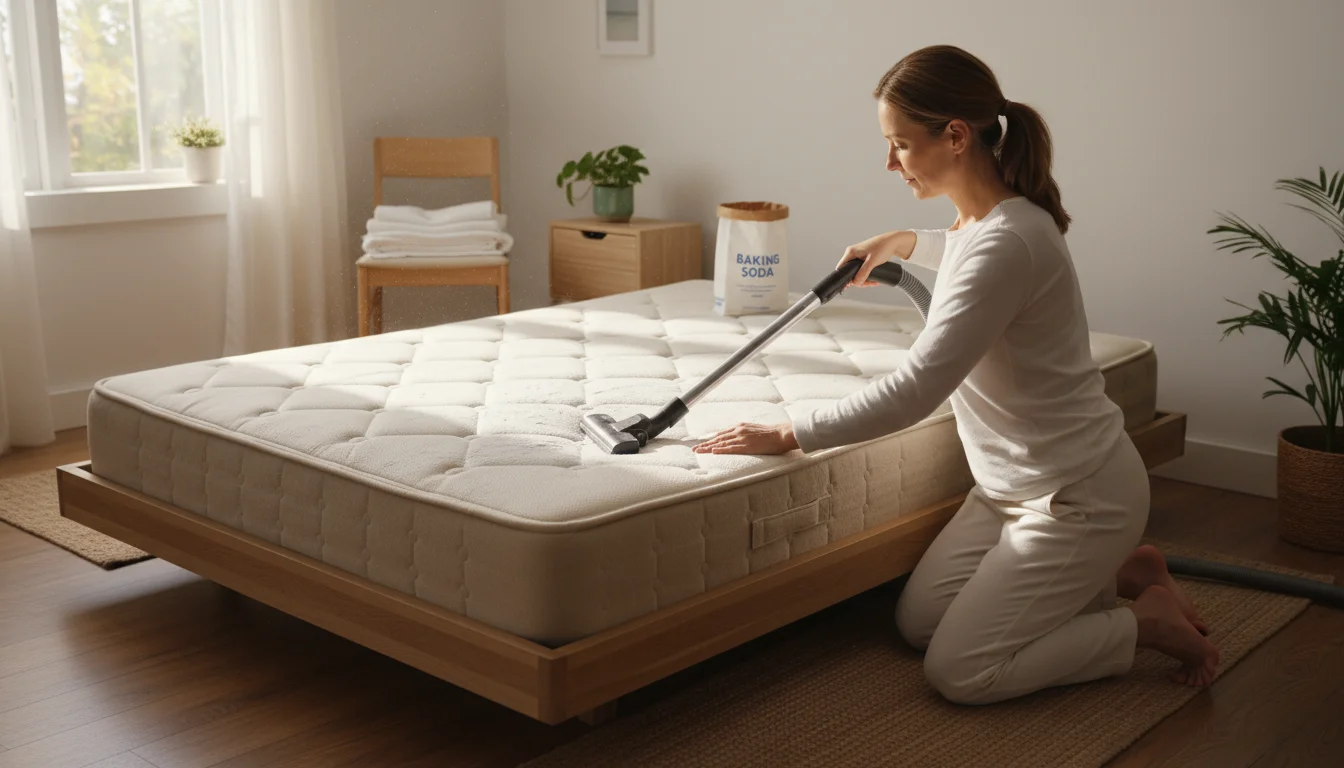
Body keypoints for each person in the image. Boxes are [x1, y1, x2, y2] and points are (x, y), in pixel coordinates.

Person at [692, 45, 1220, 705]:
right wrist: (906, 241)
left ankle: (1143, 621)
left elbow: (915, 389)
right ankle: (1127, 573)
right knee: (920, 624)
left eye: (900, 145)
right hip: (1004, 493)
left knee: (961, 671)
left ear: (956, 136)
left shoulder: (1010, 242)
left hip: (1078, 499)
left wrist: (791, 432)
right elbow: (965, 246)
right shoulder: (986, 221)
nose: (890, 162)